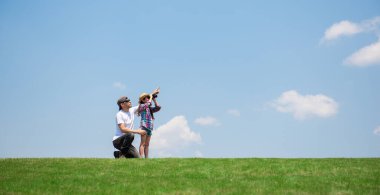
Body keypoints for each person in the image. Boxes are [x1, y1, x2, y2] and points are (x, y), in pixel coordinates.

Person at [137, 88, 161, 158]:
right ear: (142, 100)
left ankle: (146, 158)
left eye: (147, 97)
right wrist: (151, 95)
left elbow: (158, 108)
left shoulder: (149, 108)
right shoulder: (141, 106)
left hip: (149, 127)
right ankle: (141, 157)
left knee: (147, 144)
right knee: (142, 143)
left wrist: (154, 99)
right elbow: (148, 104)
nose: (147, 99)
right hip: (144, 126)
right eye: (145, 98)